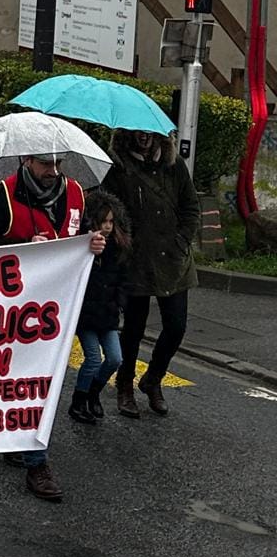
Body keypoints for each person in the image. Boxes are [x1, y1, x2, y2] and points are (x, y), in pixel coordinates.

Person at [0, 152, 105, 502]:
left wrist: (94, 244)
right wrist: (22, 248)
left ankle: (26, 448)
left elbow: (86, 236)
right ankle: (34, 460)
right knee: (25, 383)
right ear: (27, 160)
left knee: (41, 384)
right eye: (46, 164)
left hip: (59, 309)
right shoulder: (3, 195)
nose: (53, 171)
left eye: (58, 163)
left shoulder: (76, 192)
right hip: (14, 311)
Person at [102, 129, 200, 419]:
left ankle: (153, 379)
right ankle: (124, 385)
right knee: (133, 328)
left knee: (176, 326)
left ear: (159, 134)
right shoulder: (118, 167)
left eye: (149, 131)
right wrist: (120, 242)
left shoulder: (174, 165)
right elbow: (108, 210)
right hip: (136, 260)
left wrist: (181, 241)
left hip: (173, 261)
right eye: (137, 131)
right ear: (127, 133)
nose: (143, 136)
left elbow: (190, 207)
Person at [69, 188, 131, 424]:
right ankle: (78, 400)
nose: (107, 226)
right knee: (93, 358)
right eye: (103, 221)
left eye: (111, 222)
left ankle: (93, 393)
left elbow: (123, 280)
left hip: (108, 314)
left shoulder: (118, 249)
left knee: (115, 359)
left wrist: (119, 302)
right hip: (86, 316)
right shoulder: (84, 249)